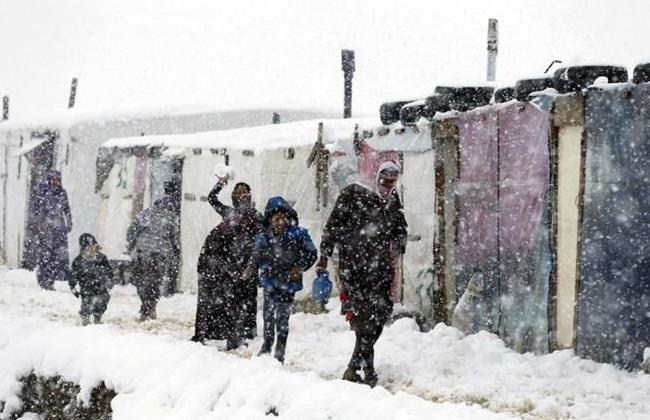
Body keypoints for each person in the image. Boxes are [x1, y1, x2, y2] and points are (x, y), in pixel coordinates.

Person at [317, 161, 408, 387]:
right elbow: (334, 225)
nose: (387, 186)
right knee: (365, 319)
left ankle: (361, 366)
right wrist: (324, 254)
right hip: (355, 268)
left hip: (380, 271)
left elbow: (400, 228)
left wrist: (398, 245)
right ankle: (361, 367)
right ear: (375, 176)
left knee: (379, 316)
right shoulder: (354, 194)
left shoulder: (391, 201)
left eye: (391, 182)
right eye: (384, 181)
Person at [242, 196, 317, 363]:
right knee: (268, 315)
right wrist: (250, 268)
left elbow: (312, 253)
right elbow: (256, 255)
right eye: (276, 219)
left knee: (282, 318)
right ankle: (267, 345)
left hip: (288, 283)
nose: (279, 222)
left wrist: (300, 267)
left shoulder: (298, 234)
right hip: (270, 280)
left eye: (282, 218)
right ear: (269, 219)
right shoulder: (264, 237)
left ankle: (280, 352)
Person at [194, 210, 259, 348]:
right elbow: (226, 258)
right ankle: (231, 338)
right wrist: (236, 275)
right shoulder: (230, 232)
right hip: (213, 272)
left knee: (209, 305)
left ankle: (204, 334)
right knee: (230, 304)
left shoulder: (227, 229)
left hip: (211, 272)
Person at [208, 178, 262, 339]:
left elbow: (263, 237)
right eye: (237, 192)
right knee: (230, 297)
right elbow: (211, 198)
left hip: (249, 263)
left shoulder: (257, 215)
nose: (241, 196)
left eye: (244, 192)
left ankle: (248, 331)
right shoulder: (228, 213)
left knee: (249, 296)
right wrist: (220, 184)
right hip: (229, 262)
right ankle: (229, 330)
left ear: (250, 195)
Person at [126, 184, 180, 321]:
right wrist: (174, 252)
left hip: (142, 253)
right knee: (154, 283)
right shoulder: (172, 218)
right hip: (157, 255)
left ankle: (146, 307)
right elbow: (174, 239)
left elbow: (132, 230)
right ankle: (150, 307)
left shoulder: (146, 214)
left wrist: (130, 246)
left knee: (142, 282)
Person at [32, 169, 73, 290]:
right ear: (48, 179)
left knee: (57, 255)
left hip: (59, 229)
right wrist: (40, 224)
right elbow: (37, 210)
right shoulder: (42, 192)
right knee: (45, 255)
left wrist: (69, 221)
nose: (55, 182)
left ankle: (51, 280)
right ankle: (44, 280)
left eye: (57, 179)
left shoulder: (62, 193)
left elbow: (66, 209)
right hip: (46, 228)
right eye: (53, 179)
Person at [69, 233, 112, 325]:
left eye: (94, 247)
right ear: (83, 249)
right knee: (87, 305)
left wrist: (108, 282)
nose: (92, 250)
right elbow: (73, 276)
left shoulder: (102, 258)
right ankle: (85, 319)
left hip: (101, 287)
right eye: (88, 248)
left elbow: (109, 272)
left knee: (102, 303)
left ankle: (98, 317)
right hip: (86, 287)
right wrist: (73, 287)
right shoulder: (78, 261)